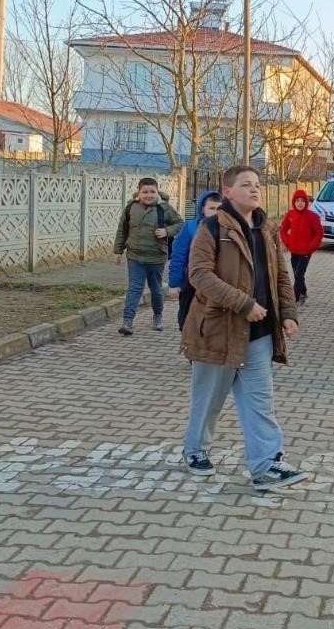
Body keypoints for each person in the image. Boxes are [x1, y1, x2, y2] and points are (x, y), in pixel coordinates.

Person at [180, 165, 308, 490]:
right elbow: (199, 275)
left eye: (258, 184)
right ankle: (195, 450)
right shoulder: (211, 229)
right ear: (228, 192)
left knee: (260, 402)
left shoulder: (266, 230)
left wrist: (289, 313)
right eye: (246, 185)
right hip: (218, 330)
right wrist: (243, 303)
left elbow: (281, 276)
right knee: (209, 399)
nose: (255, 189)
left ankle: (266, 465)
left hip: (259, 335)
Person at [114, 178, 184, 334]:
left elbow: (180, 223)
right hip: (135, 256)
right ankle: (127, 321)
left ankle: (158, 316)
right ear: (138, 193)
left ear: (157, 192)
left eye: (152, 192)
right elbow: (122, 230)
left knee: (156, 289)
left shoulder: (164, 208)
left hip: (156, 257)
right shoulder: (131, 208)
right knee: (134, 289)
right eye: (145, 192)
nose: (149, 195)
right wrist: (118, 251)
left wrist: (167, 231)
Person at [169, 190, 222, 331]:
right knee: (186, 322)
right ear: (203, 209)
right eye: (212, 208)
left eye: (219, 208)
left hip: (218, 284)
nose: (216, 212)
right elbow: (179, 256)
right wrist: (175, 283)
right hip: (191, 283)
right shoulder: (191, 227)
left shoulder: (227, 230)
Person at [279, 189, 324, 306]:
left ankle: (295, 299)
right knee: (297, 274)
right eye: (297, 201)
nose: (300, 203)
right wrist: (287, 242)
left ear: (307, 203)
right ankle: (303, 292)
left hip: (306, 252)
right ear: (294, 202)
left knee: (299, 274)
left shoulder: (312, 217)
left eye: (302, 201)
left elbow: (319, 233)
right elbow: (282, 230)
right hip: (294, 250)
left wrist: (311, 246)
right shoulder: (290, 215)